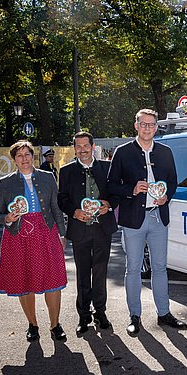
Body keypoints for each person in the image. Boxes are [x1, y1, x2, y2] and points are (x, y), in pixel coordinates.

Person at [107, 108, 186, 336]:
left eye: (152, 124)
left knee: (160, 268)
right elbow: (111, 185)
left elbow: (172, 181)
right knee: (133, 269)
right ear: (136, 125)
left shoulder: (165, 151)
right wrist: (130, 189)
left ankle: (164, 313)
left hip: (158, 216)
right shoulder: (122, 152)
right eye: (143, 124)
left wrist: (166, 196)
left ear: (156, 126)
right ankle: (135, 316)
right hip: (133, 219)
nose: (148, 128)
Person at [0, 140, 68, 342]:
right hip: (18, 235)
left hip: (46, 231)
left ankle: (55, 324)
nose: (24, 159)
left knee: (53, 280)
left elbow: (56, 208)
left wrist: (62, 234)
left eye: (27, 154)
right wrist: (7, 218)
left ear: (32, 156)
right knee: (24, 280)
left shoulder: (47, 177)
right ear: (14, 160)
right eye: (19, 156)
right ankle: (32, 324)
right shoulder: (5, 182)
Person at [58, 132, 118, 333]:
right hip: (80, 230)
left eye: (86, 145)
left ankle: (100, 312)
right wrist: (74, 212)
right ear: (74, 148)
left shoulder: (107, 168)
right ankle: (83, 316)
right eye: (78, 146)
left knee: (100, 273)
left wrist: (108, 204)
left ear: (93, 146)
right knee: (83, 273)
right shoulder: (66, 171)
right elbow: (62, 199)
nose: (82, 149)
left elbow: (116, 194)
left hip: (102, 228)